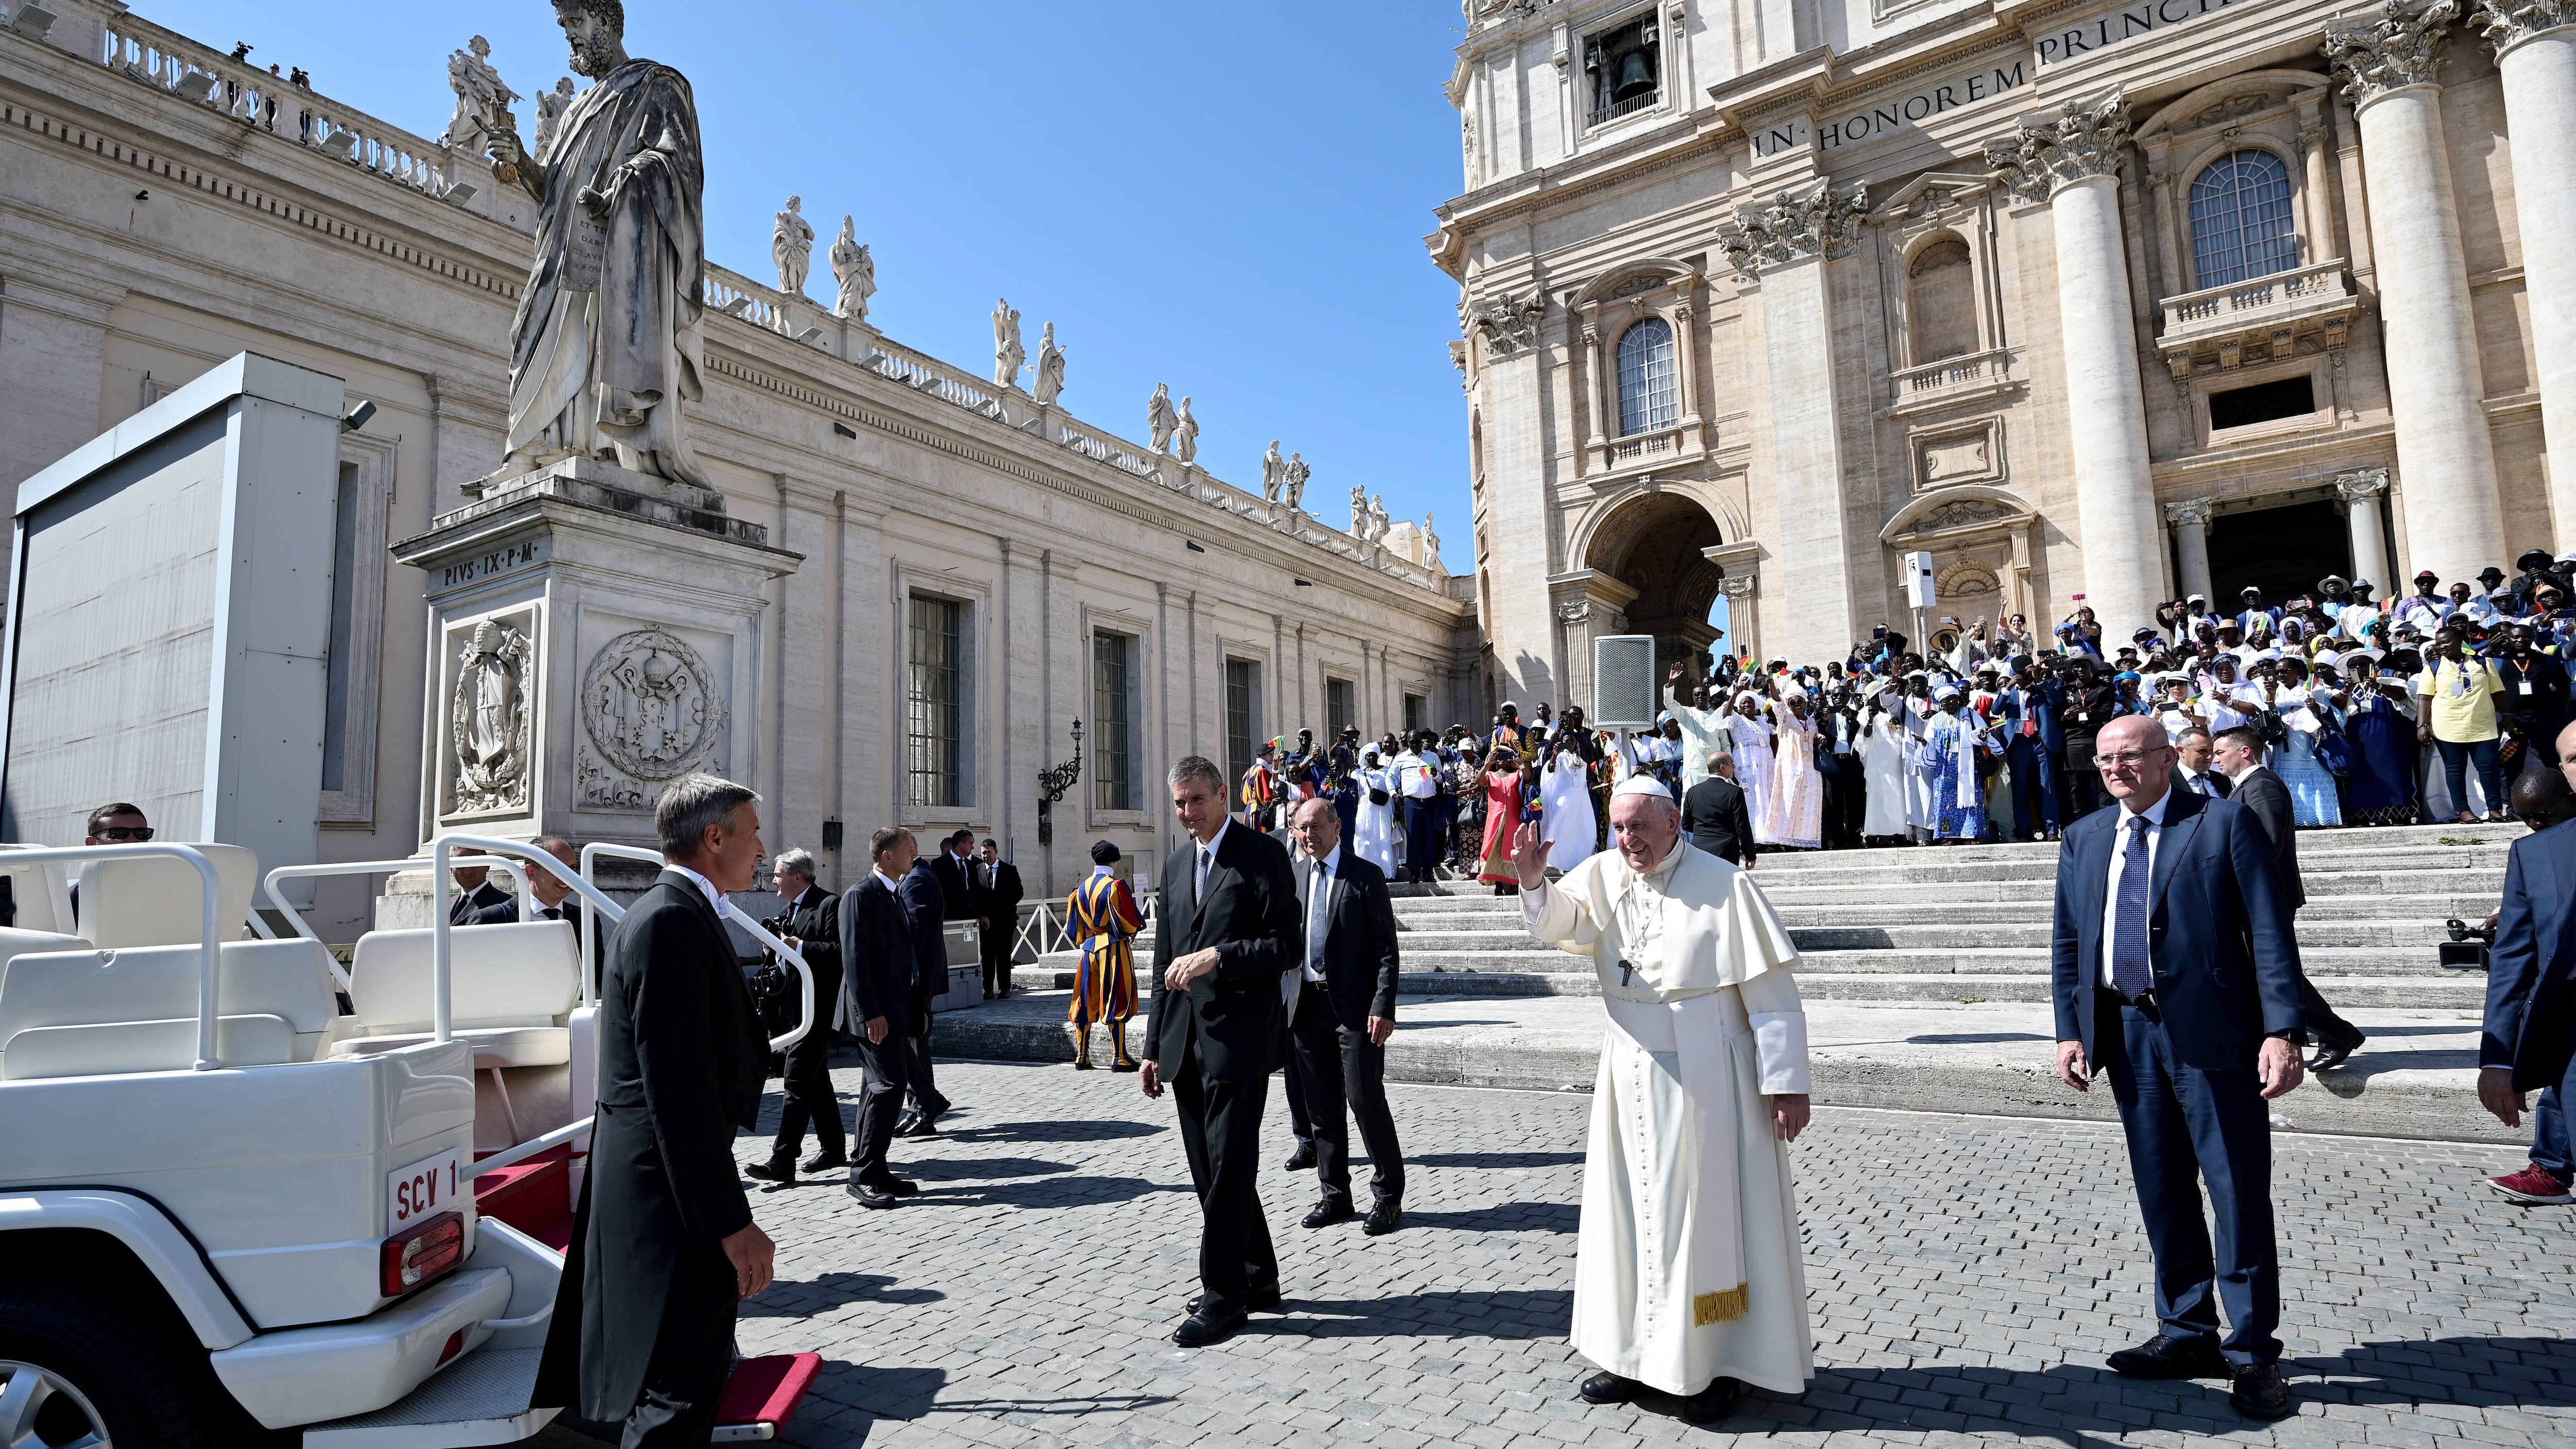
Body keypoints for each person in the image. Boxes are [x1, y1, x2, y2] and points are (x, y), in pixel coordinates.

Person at [1513, 776, 1814, 1423]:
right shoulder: (1604, 873)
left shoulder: (1725, 885)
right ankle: (1629, 1357)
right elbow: (1560, 921)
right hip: (1626, 1073)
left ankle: (1710, 1367)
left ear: (1673, 822)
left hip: (1708, 1076)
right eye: (1619, 827)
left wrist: (1787, 1082)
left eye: (1640, 827)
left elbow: (1772, 995)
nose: (1628, 840)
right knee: (1625, 1218)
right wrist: (1534, 882)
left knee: (1696, 1221)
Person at [2049, 716, 2305, 1421]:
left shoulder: (2222, 823)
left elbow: (2269, 930)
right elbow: (2069, 939)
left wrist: (2282, 1030)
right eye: (2105, 760)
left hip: (2215, 1036)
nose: (2115, 769)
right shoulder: (2084, 836)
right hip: (2126, 1033)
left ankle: (2253, 1354)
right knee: (2162, 1189)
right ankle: (2187, 1330)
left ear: (2166, 759)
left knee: (2236, 1194)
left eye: (2129, 756)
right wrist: (2070, 1029)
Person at [534, 774, 774, 1443]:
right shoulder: (669, 920)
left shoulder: (680, 912)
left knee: (682, 1382)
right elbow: (677, 1094)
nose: (762, 849)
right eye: (753, 834)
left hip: (670, 1186)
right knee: (677, 1391)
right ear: (715, 837)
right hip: (667, 1198)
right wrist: (731, 1224)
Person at [1140, 756, 1302, 1347]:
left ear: (1222, 795)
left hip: (1239, 1041)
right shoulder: (1175, 864)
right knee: (1209, 1170)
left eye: (1196, 800)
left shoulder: (1261, 854)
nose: (1188, 813)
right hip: (1184, 1043)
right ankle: (1258, 1276)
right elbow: (1163, 961)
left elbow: (1287, 945)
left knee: (1230, 1167)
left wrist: (1220, 956)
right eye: (1179, 803)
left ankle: (1224, 1295)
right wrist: (1152, 1047)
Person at [2210, 725, 2368, 1070]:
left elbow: (2265, 842)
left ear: (2245, 752)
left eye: (2221, 752)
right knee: (2259, 967)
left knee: (2269, 968)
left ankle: (2336, 1032)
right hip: (2256, 895)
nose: (2215, 758)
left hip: (2264, 896)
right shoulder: (2245, 787)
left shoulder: (2262, 785)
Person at [1285, 798, 1405, 1235]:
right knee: (1321, 1109)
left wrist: (1383, 1006)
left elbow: (1387, 951)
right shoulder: (1294, 875)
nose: (1309, 835)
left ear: (1337, 827)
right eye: (1302, 828)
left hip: (1355, 1011)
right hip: (1306, 1007)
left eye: (1316, 826)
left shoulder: (1364, 876)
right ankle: (1335, 1195)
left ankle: (1388, 1198)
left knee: (1365, 1101)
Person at [2482, 718, 2576, 1204]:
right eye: (2573, 758)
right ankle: (2551, 1167)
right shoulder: (2535, 854)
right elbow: (2512, 959)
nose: (2534, 823)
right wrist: (2499, 1059)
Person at [837, 828, 925, 1209]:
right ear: (887, 856)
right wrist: (870, 1013)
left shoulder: (894, 892)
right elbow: (854, 959)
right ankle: (863, 1176)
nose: (914, 853)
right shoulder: (861, 895)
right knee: (889, 1087)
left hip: (895, 1011)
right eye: (908, 848)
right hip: (873, 1015)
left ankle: (874, 1167)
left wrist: (917, 1008)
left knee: (876, 1089)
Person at [746, 848, 845, 1183]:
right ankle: (834, 1147)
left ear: (796, 876)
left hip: (816, 1011)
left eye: (778, 874)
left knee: (797, 1079)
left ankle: (783, 1159)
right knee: (816, 1079)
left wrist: (798, 946)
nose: (773, 880)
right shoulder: (788, 909)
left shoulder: (829, 905)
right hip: (791, 1010)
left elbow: (840, 953)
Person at [2415, 628, 2510, 823]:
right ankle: (2463, 811)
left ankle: (2495, 810)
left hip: (2483, 726)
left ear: (2460, 641)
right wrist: (2422, 725)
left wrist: (2506, 716)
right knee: (2455, 771)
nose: (2441, 647)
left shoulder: (2484, 663)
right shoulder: (2433, 668)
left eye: (2446, 642)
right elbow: (2425, 698)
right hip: (2448, 728)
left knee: (2489, 769)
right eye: (2438, 643)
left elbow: (2497, 692)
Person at [893, 847, 957, 1138]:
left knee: (916, 1044)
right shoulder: (917, 874)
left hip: (916, 978)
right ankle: (918, 1109)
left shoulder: (917, 878)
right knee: (915, 1043)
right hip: (920, 976)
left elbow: (913, 933)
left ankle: (923, 1111)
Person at [1066, 840, 1144, 1072]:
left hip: (1089, 948)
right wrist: (1131, 930)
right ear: (1115, 862)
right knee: (1117, 998)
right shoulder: (1114, 886)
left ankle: (1082, 1055)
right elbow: (1129, 922)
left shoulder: (1080, 889)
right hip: (1112, 947)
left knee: (1084, 1000)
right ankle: (1119, 1057)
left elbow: (1074, 929)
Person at [469, 835, 586, 925]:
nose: (568, 876)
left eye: (572, 868)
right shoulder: (491, 920)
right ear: (532, 872)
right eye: (558, 868)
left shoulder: (586, 920)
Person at [1682, 751, 1759, 867]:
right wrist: (1750, 855)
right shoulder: (1735, 792)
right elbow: (1742, 827)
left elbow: (1686, 824)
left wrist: (1703, 832)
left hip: (1699, 849)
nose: (1734, 767)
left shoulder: (1693, 792)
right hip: (1726, 851)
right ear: (1723, 768)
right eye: (1732, 764)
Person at [976, 837, 1024, 1000]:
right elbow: (977, 895)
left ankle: (1005, 989)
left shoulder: (1009, 870)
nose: (986, 856)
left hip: (1005, 920)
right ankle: (988, 989)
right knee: (987, 957)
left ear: (996, 852)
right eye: (983, 853)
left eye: (989, 852)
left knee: (1004, 956)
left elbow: (1019, 892)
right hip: (986, 922)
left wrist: (1006, 906)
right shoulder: (978, 870)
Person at [1539, 742, 1597, 874]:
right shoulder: (1560, 758)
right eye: (1567, 740)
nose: (1569, 743)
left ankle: (1579, 862)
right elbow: (1551, 770)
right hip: (1564, 801)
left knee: (1582, 831)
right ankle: (1557, 861)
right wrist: (1555, 754)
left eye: (1572, 740)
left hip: (1581, 802)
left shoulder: (1580, 759)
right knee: (1559, 829)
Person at [1475, 746, 1527, 893]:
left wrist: (1519, 762)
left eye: (1505, 756)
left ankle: (1514, 882)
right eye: (1498, 757)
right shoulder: (1490, 775)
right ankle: (1498, 883)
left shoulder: (1516, 774)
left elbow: (1528, 778)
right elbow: (1479, 782)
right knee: (1495, 849)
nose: (1501, 760)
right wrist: (1488, 764)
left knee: (1512, 848)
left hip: (1513, 818)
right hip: (1495, 818)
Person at [1394, 733, 1444, 884]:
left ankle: (1428, 873)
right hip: (1411, 803)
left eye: (1417, 742)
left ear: (1422, 742)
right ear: (1407, 743)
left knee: (1429, 839)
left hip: (1429, 803)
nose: (1415, 745)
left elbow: (1441, 779)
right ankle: (1414, 874)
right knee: (1413, 839)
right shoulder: (1401, 758)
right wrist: (1393, 793)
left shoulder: (1432, 757)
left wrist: (1436, 775)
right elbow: (1390, 777)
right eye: (1412, 742)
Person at [1352, 749, 1399, 876]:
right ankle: (1364, 872)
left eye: (1374, 756)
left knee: (1384, 836)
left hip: (1383, 811)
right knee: (1366, 839)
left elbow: (1393, 788)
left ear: (1378, 756)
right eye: (1369, 756)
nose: (1371, 758)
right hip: (1365, 811)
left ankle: (1386, 872)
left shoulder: (1387, 771)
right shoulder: (1359, 773)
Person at [2174, 728, 2226, 797]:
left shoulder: (2222, 780)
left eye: (2211, 750)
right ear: (2181, 751)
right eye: (2202, 751)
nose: (2210, 756)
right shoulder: (2166, 782)